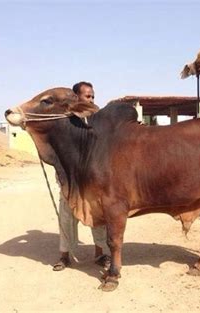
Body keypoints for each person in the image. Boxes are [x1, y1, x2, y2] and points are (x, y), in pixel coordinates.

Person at [52, 81, 110, 271]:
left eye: (93, 96)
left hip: (92, 177)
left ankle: (100, 253)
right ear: (76, 97)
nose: (91, 99)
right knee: (67, 216)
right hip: (70, 177)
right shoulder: (64, 120)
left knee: (98, 216)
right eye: (87, 96)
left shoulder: (98, 119)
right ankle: (64, 256)